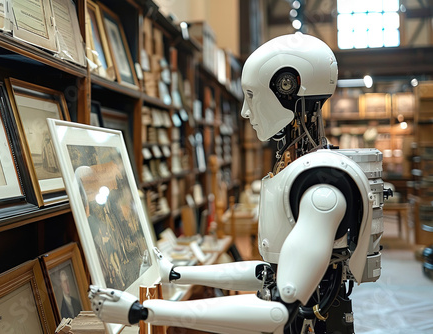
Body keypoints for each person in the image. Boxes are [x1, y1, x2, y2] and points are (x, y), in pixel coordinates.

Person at [89, 33, 386, 334]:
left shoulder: (321, 192)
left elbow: (278, 310)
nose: (245, 111)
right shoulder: (305, 175)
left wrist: (142, 311)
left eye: (252, 95)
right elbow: (269, 274)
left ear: (287, 87)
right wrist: (177, 274)